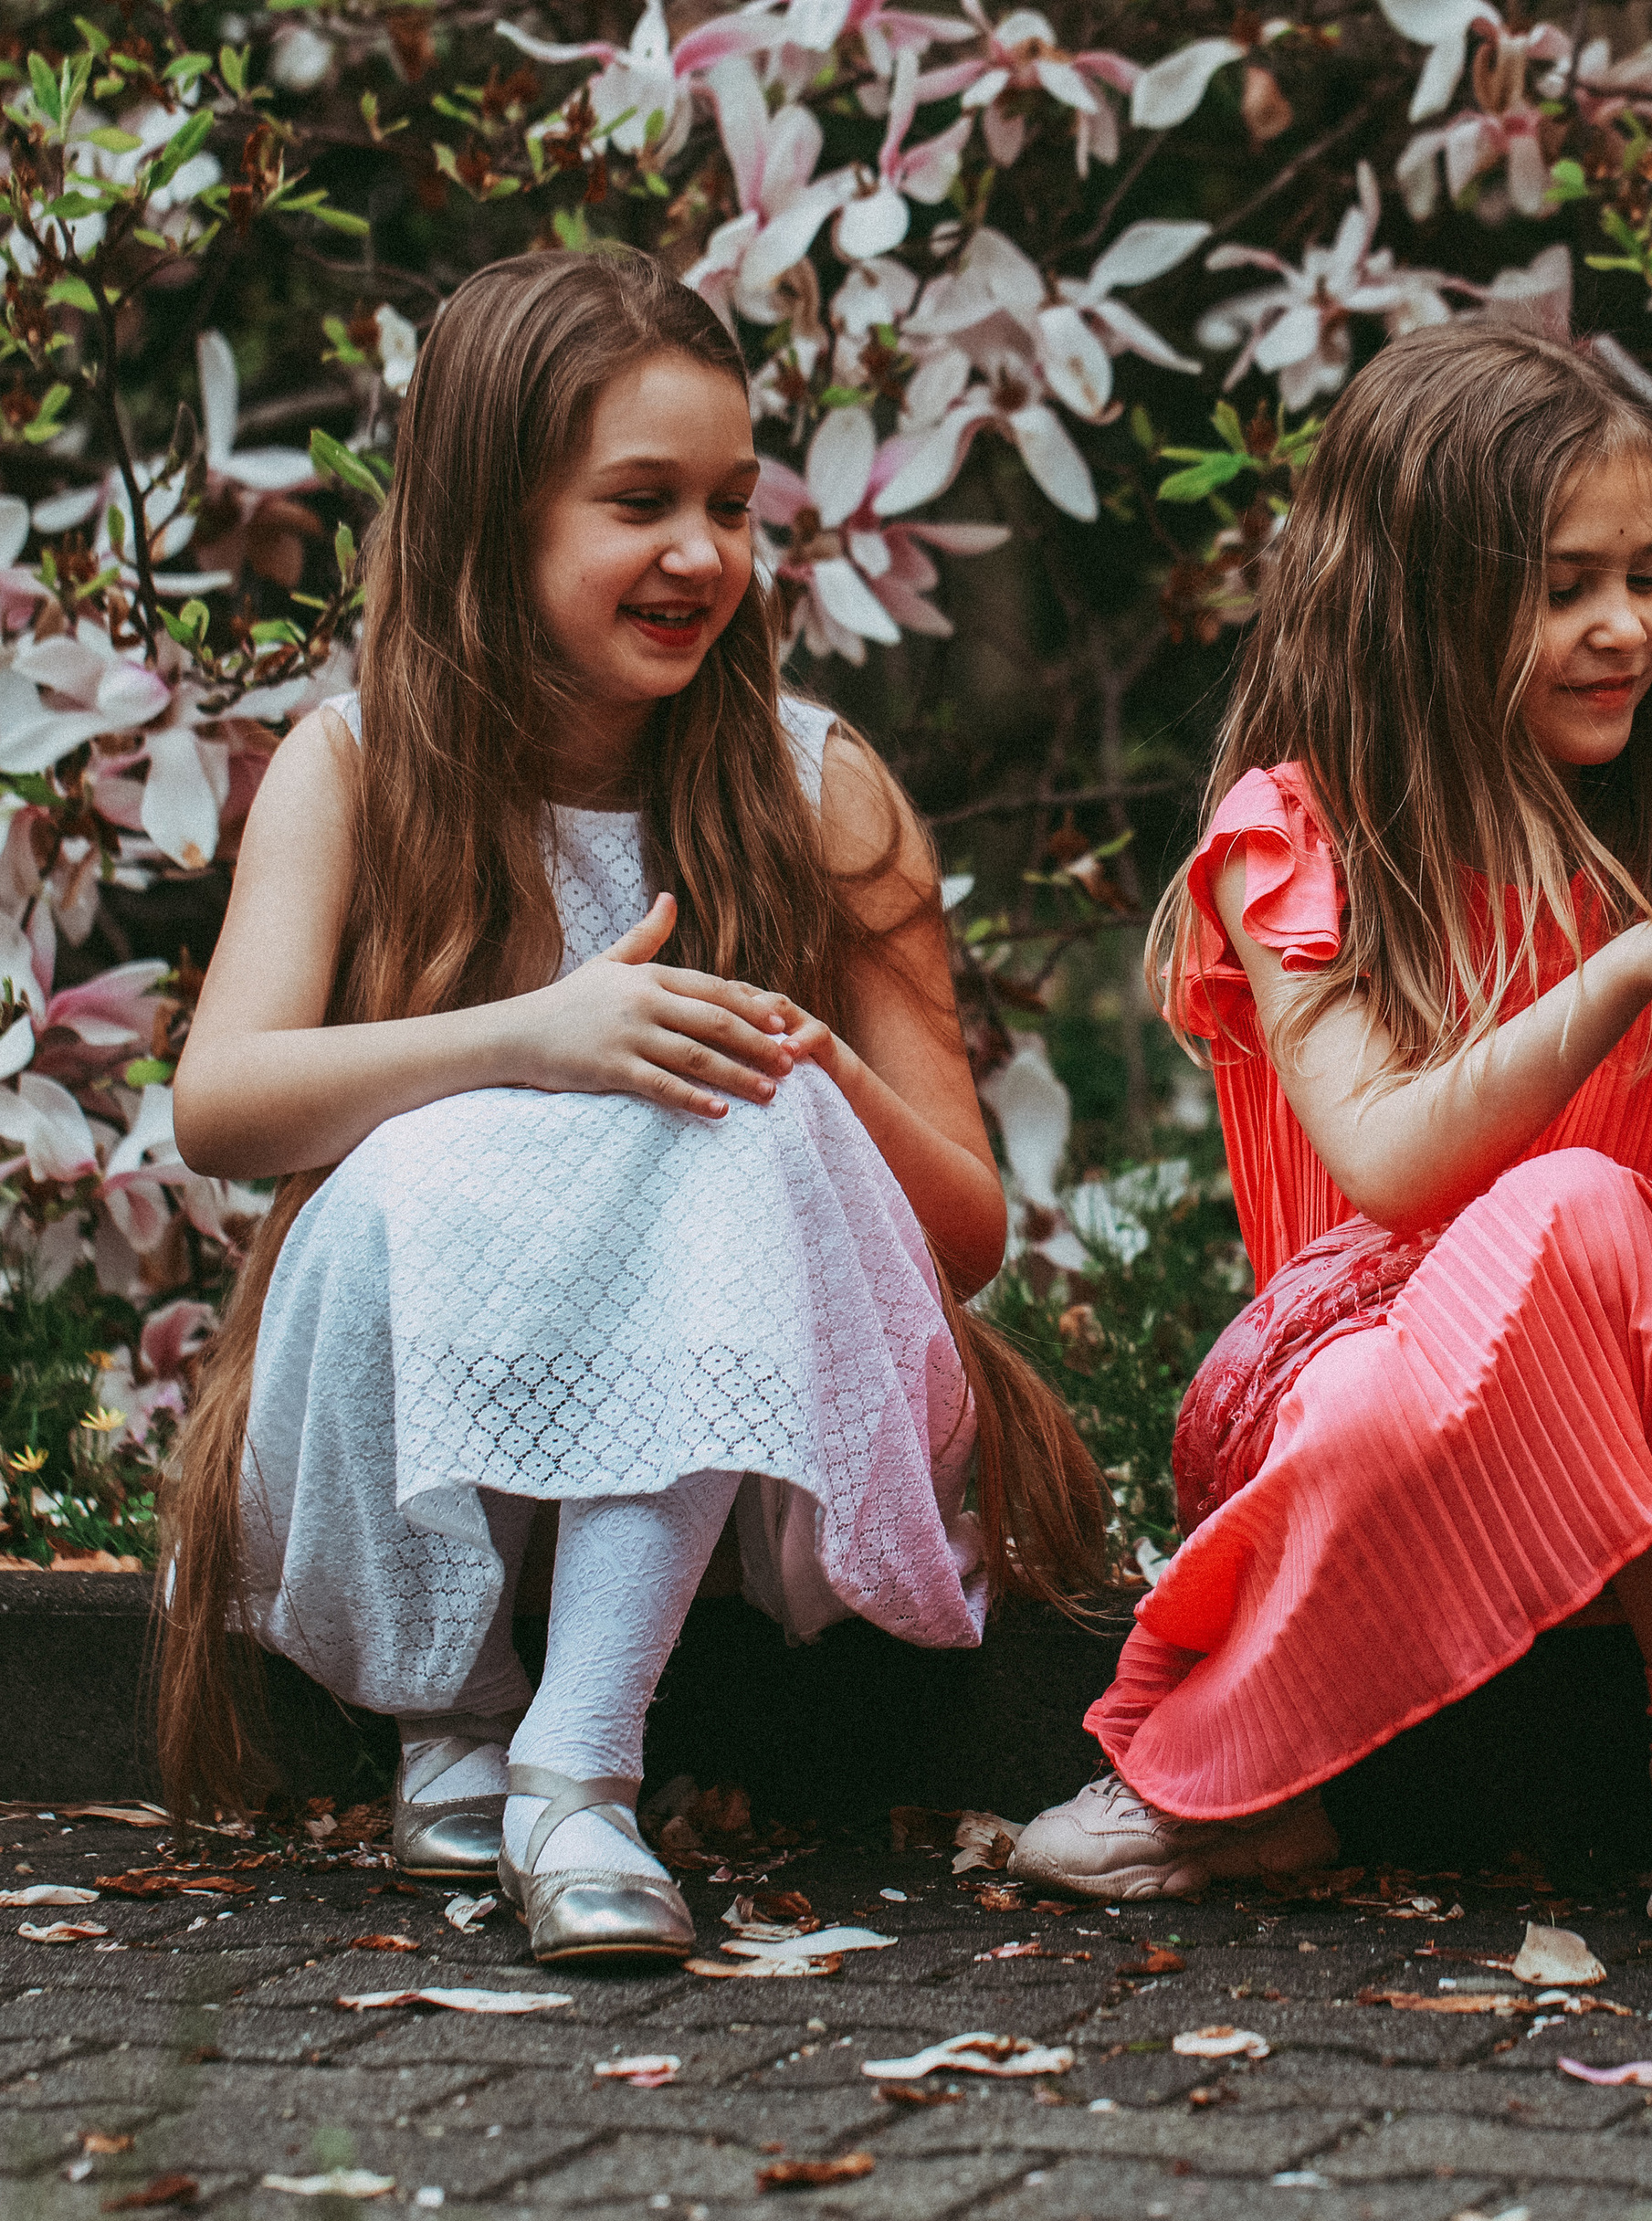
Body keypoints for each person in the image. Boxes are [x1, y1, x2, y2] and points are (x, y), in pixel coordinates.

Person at [156, 247, 1102, 1964]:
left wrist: (801, 1070)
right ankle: (458, 1704)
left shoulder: (818, 788)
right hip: (406, 1412)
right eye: (640, 502)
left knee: (726, 1120)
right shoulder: (355, 764)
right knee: (436, 1145)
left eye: (733, 505)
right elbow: (221, 1109)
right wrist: (535, 1036)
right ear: (488, 519)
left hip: (770, 1459)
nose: (703, 556)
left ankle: (576, 1769)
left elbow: (963, 1233)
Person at [1010, 319, 1652, 1921]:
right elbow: (1385, 1161)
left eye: (1647, 576)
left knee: (1594, 1217)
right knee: (1549, 1212)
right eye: (1565, 585)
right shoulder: (1296, 840)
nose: (1624, 627)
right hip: (1348, 1389)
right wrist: (1632, 971)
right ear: (1418, 603)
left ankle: (1252, 1769)